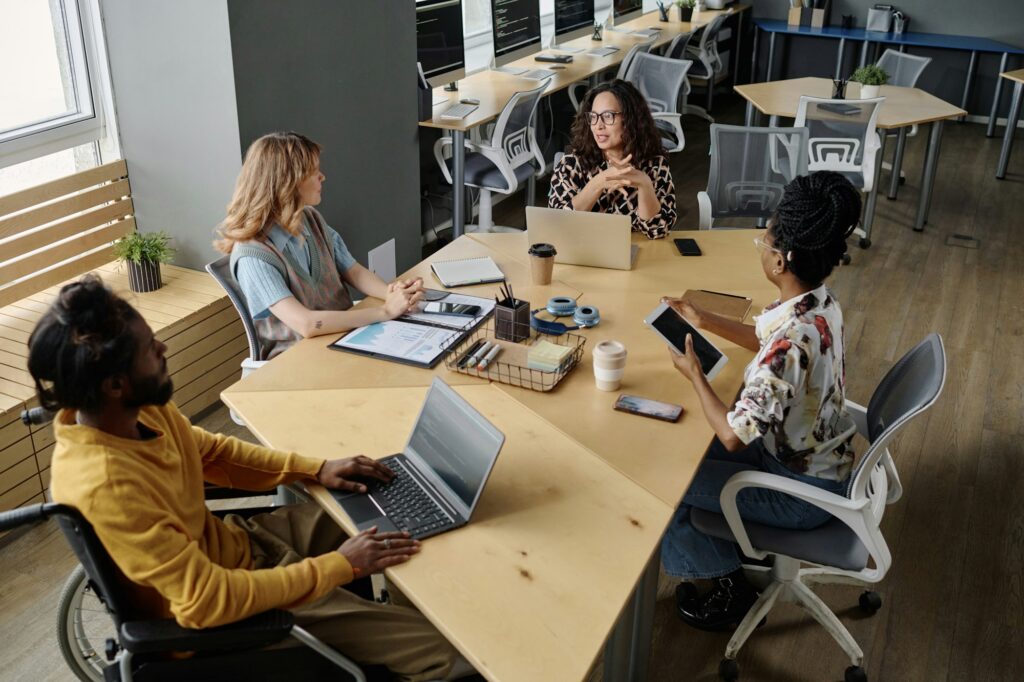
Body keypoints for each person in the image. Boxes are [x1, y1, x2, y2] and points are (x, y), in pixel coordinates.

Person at [29, 275, 460, 681]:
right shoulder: (107, 484)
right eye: (148, 348)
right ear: (115, 384)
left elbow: (213, 453)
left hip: (242, 548)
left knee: (389, 500)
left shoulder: (137, 410)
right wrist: (340, 566)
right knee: (446, 654)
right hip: (235, 616)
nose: (162, 348)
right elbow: (203, 603)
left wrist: (316, 468)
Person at [660, 172, 861, 630]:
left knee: (669, 479)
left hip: (799, 494)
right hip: (821, 460)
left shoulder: (788, 344)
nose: (762, 247)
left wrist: (695, 375)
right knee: (684, 441)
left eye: (765, 242)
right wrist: (704, 319)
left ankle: (728, 587)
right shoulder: (819, 306)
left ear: (782, 260)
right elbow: (766, 341)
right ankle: (720, 554)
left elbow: (734, 436)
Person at [215, 131, 424, 361]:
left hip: (345, 336)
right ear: (289, 183)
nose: (322, 177)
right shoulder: (253, 257)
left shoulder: (309, 219)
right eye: (314, 172)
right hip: (300, 359)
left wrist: (394, 295)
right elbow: (306, 324)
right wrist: (384, 312)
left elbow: (353, 271)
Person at [548, 79, 677, 239]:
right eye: (593, 116)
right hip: (583, 253)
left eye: (608, 116)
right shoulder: (571, 165)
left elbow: (658, 231)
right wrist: (599, 182)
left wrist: (644, 184)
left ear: (630, 119)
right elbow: (556, 224)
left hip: (636, 254)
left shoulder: (655, 165)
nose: (598, 125)